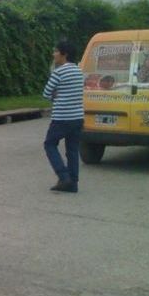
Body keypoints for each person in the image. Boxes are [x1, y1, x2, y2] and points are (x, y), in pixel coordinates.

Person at [42, 40, 85, 193]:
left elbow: (46, 94)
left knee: (49, 144)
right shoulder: (79, 71)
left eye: (56, 51)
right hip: (78, 117)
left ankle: (63, 175)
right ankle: (73, 183)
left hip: (62, 117)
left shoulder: (58, 72)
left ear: (64, 54)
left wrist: (57, 95)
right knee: (72, 149)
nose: (54, 54)